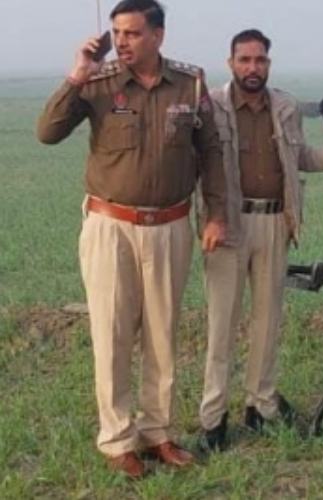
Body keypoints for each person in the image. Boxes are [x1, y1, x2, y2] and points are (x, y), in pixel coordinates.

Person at [36, 0, 226, 478]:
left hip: (170, 226)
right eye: (117, 32)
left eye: (133, 33)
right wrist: (78, 73)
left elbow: (212, 152)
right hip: (110, 227)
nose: (121, 41)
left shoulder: (191, 83)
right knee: (113, 334)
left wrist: (216, 214)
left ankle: (158, 433)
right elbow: (46, 132)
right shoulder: (98, 84)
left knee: (163, 334)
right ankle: (118, 438)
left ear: (158, 36)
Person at [198, 28, 323, 451]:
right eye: (245, 60)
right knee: (222, 324)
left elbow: (298, 155)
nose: (253, 67)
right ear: (230, 63)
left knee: (268, 320)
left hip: (274, 221)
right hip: (228, 223)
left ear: (269, 63)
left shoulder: (284, 106)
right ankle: (213, 418)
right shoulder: (210, 105)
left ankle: (261, 404)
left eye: (260, 60)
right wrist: (207, 218)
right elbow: (196, 163)